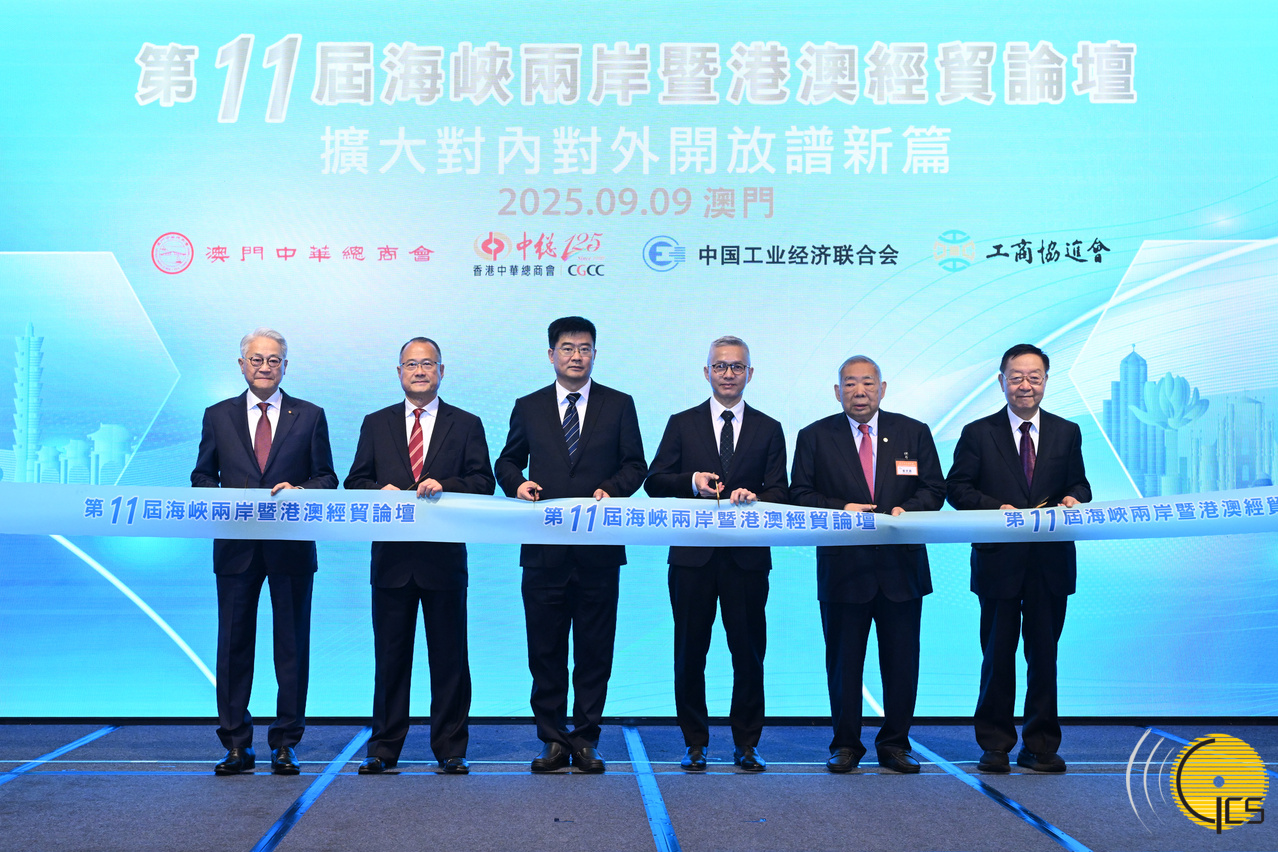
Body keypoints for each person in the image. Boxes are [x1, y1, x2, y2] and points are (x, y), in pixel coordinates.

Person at [495, 316, 646, 773]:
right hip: (544, 550)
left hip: (600, 548)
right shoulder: (529, 406)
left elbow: (635, 465)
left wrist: (611, 490)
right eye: (567, 348)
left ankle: (585, 739)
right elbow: (506, 461)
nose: (576, 356)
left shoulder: (619, 404)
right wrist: (517, 484)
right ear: (551, 355)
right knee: (545, 650)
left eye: (584, 348)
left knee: (595, 650)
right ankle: (552, 740)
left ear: (595, 354)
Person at [344, 337, 495, 775]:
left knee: (450, 659)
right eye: (411, 364)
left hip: (443, 561)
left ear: (441, 371)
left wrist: (446, 486)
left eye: (428, 364)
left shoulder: (466, 423)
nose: (420, 371)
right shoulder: (377, 423)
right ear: (399, 373)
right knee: (390, 659)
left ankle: (451, 748)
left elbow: (483, 482)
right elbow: (355, 482)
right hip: (391, 562)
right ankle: (383, 748)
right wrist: (381, 490)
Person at [191, 328, 337, 776]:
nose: (265, 367)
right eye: (256, 359)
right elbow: (201, 476)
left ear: (285, 367)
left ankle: (286, 743)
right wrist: (224, 496)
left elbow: (327, 478)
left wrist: (300, 490)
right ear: (242, 365)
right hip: (235, 546)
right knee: (233, 645)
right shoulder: (218, 415)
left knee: (291, 646)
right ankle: (236, 744)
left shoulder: (309, 415)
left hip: (290, 545)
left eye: (274, 360)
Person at [790, 356, 945, 774]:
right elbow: (799, 494)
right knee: (843, 664)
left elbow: (935, 489)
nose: (859, 392)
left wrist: (905, 511)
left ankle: (895, 744)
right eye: (850, 384)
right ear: (837, 391)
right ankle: (845, 745)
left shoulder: (913, 432)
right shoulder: (815, 436)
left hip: (901, 569)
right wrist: (842, 508)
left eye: (868, 383)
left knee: (902, 664)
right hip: (844, 569)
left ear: (883, 388)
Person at [643, 336, 787, 772]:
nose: (728, 374)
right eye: (720, 366)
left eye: (737, 367)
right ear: (706, 372)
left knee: (749, 654)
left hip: (747, 559)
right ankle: (694, 743)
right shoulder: (682, 423)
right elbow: (654, 481)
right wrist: (691, 482)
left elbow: (783, 491)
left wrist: (756, 497)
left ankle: (747, 744)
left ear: (750, 374)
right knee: (690, 653)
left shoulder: (769, 427)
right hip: (692, 558)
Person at [946, 343, 1091, 774]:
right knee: (997, 656)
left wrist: (1073, 498)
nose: (1025, 385)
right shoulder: (978, 432)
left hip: (1050, 562)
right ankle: (995, 744)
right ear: (1001, 381)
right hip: (999, 561)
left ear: (1045, 381)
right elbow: (957, 489)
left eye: (1034, 377)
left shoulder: (1067, 431)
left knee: (1044, 658)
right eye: (1016, 377)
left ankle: (1040, 745)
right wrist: (997, 509)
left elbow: (1081, 484)